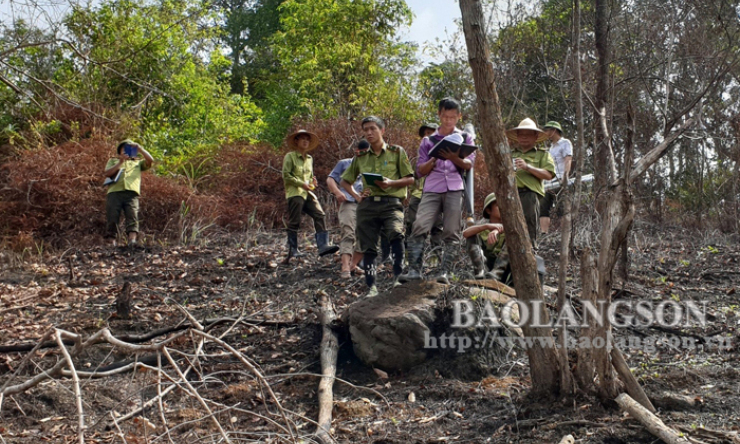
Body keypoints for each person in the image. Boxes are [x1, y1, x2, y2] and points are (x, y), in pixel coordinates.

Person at [401, 98, 475, 284]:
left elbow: (469, 164)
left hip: (455, 188)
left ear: (459, 116)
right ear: (439, 115)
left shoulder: (466, 138)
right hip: (432, 187)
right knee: (419, 225)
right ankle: (414, 270)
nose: (448, 120)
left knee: (451, 230)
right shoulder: (428, 140)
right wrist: (435, 158)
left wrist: (453, 157)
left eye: (452, 117)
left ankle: (446, 272)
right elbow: (419, 170)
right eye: (445, 116)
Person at [340, 116, 414, 297]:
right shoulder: (361, 157)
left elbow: (411, 178)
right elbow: (345, 181)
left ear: (382, 130)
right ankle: (371, 286)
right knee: (368, 246)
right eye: (365, 129)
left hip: (391, 204)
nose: (369, 132)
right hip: (368, 206)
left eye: (373, 128)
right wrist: (357, 197)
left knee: (396, 234)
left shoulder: (396, 152)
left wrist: (391, 183)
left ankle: (398, 277)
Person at [282, 129, 339, 263]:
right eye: (302, 139)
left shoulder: (309, 159)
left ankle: (323, 246)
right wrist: (302, 184)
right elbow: (286, 176)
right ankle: (292, 250)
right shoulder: (290, 156)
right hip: (295, 192)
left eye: (307, 139)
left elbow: (310, 176)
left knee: (319, 214)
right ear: (296, 141)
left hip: (307, 192)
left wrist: (313, 182)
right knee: (295, 221)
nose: (305, 141)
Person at [505, 118, 556, 245]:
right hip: (510, 195)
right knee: (509, 228)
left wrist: (528, 167)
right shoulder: (510, 154)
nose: (524, 137)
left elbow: (549, 175)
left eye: (528, 134)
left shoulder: (542, 155)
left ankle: (532, 252)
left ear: (535, 136)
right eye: (521, 134)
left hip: (529, 195)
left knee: (529, 228)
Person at [327, 139, 368, 279]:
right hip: (349, 202)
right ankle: (345, 267)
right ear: (356, 151)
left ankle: (353, 265)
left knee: (364, 237)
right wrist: (337, 192)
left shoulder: (371, 167)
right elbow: (331, 179)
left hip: (366, 205)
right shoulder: (345, 163)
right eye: (361, 151)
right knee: (348, 232)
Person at [103, 139, 154, 247]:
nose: (126, 151)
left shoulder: (138, 162)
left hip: (131, 192)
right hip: (114, 192)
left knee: (132, 215)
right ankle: (111, 241)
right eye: (124, 149)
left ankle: (132, 240)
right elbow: (107, 173)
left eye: (130, 149)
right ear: (120, 151)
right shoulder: (113, 161)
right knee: (112, 215)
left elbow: (150, 160)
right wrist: (120, 162)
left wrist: (141, 149)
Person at [405, 123, 443, 251]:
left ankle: (435, 256)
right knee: (411, 223)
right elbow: (413, 175)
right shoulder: (419, 156)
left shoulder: (445, 155)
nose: (428, 136)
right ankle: (409, 255)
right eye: (426, 133)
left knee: (437, 226)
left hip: (436, 193)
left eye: (431, 133)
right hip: (418, 194)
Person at [540, 121, 573, 234]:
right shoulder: (551, 148)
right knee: (543, 207)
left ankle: (564, 234)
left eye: (547, 130)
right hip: (548, 182)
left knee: (562, 208)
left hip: (559, 180)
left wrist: (565, 177)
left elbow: (568, 159)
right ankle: (544, 233)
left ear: (554, 130)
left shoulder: (565, 143)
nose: (545, 133)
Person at [464, 193, 507, 281]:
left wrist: (496, 230)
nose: (503, 208)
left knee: (513, 240)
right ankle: (481, 271)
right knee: (471, 237)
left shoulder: (511, 223)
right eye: (498, 206)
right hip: (487, 263)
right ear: (488, 210)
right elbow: (465, 234)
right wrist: (487, 226)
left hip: (505, 268)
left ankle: (496, 273)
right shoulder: (483, 224)